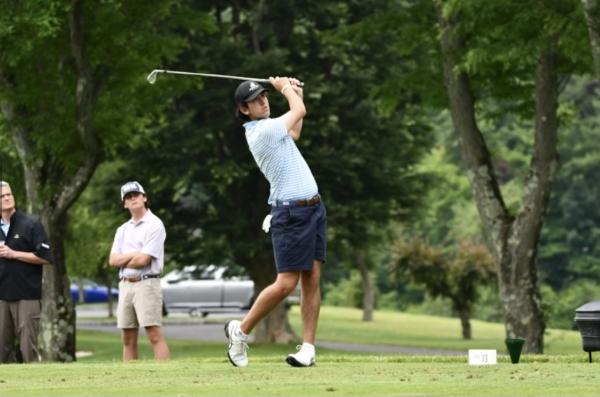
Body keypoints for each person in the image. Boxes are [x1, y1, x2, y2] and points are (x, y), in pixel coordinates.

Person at [225, 77, 327, 368]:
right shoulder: (260, 132)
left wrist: (298, 92)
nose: (264, 101)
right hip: (291, 214)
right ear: (244, 109)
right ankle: (241, 331)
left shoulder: (273, 127)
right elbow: (299, 113)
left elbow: (294, 131)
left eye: (265, 96)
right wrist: (286, 89)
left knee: (312, 279)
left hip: (314, 209)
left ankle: (307, 348)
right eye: (256, 100)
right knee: (286, 284)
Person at [109, 181, 170, 361]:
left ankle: (167, 375)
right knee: (127, 336)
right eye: (128, 197)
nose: (133, 198)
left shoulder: (155, 224)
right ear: (124, 204)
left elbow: (144, 260)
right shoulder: (122, 230)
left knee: (153, 333)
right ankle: (130, 378)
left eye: (136, 194)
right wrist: (135, 254)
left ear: (144, 197)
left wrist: (126, 259)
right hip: (126, 285)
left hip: (147, 282)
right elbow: (112, 260)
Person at [0, 181, 52, 363]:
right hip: (2, 296)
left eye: (9, 194)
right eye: (2, 196)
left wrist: (14, 254)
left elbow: (45, 257)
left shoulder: (31, 224)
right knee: (2, 350)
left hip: (27, 295)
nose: (7, 198)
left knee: (27, 347)